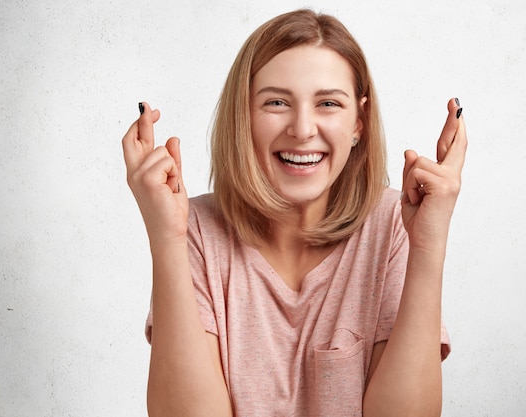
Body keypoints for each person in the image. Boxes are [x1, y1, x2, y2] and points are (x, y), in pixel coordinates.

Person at [122, 8, 466, 417]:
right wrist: (165, 239)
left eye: (327, 103)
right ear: (243, 116)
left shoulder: (396, 224)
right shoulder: (193, 228)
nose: (302, 129)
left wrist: (428, 246)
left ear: (359, 121)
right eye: (277, 102)